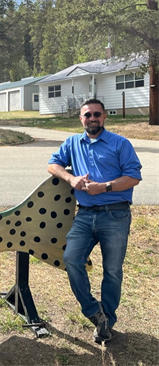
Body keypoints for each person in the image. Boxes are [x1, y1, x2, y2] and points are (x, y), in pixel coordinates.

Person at [47, 99, 142, 344]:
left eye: (97, 114)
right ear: (81, 118)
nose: (92, 118)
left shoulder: (120, 143)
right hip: (85, 214)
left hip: (116, 214)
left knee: (112, 271)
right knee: (71, 259)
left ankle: (106, 321)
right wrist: (70, 178)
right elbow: (52, 164)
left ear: (104, 117)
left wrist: (105, 187)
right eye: (87, 115)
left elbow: (133, 176)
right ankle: (93, 311)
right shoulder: (72, 142)